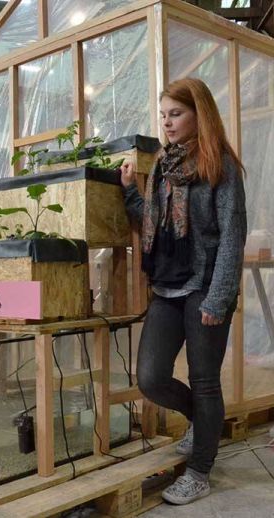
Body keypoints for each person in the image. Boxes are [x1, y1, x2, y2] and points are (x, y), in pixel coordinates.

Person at [120, 78, 247, 505]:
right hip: (167, 286)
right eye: (164, 115)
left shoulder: (220, 165)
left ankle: (200, 471)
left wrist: (219, 296)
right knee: (152, 377)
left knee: (205, 380)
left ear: (199, 114)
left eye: (176, 114)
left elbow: (232, 234)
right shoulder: (162, 164)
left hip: (207, 285)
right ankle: (204, 423)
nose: (167, 123)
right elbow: (153, 222)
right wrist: (128, 193)